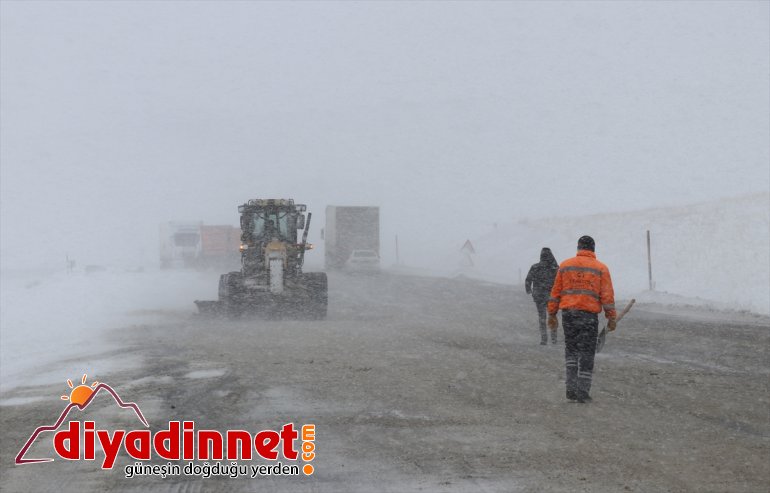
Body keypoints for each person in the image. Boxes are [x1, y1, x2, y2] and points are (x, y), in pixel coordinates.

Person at [547, 236, 616, 403]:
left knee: (571, 350)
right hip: (588, 317)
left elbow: (555, 292)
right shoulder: (601, 268)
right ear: (593, 249)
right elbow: (607, 296)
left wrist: (552, 314)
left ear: (578, 248)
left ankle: (570, 388)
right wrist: (611, 317)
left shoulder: (565, 265)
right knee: (587, 352)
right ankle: (583, 392)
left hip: (569, 315)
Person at [525, 247, 559, 345]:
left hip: (539, 296)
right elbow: (560, 282)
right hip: (551, 297)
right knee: (552, 316)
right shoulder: (555, 268)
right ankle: (554, 338)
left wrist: (529, 290)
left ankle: (544, 339)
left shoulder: (535, 267)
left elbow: (528, 280)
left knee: (542, 317)